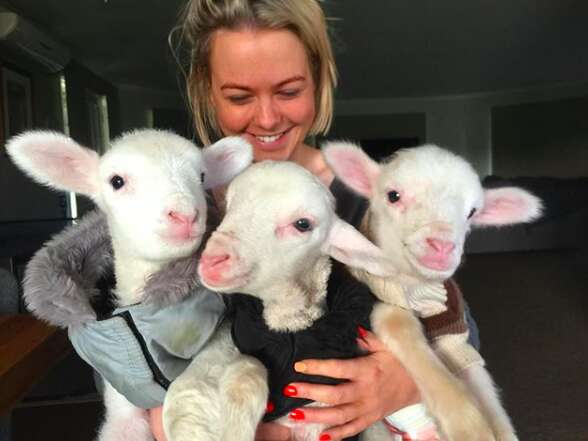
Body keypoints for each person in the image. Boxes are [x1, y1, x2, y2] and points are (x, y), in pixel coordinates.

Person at [149, 1, 480, 441]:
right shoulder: (180, 206)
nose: (267, 119)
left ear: (320, 81)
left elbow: (459, 333)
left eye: (288, 92)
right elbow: (124, 354)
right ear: (206, 91)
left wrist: (404, 382)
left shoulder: (374, 197)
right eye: (239, 96)